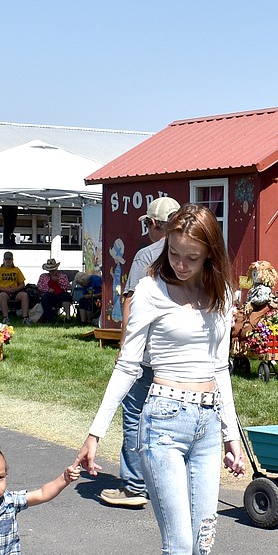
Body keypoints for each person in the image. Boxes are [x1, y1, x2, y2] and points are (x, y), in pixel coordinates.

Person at [75, 204, 246, 555]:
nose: (181, 265)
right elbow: (128, 366)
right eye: (174, 253)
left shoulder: (221, 296)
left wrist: (232, 436)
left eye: (192, 257)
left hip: (207, 426)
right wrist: (94, 433)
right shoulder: (151, 290)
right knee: (177, 549)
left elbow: (221, 372)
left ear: (210, 256)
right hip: (163, 424)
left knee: (201, 545)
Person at [99, 196, 180, 509]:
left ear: (155, 224)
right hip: (181, 356)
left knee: (135, 413)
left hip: (147, 351)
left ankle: (135, 485)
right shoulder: (196, 253)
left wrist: (124, 346)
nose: (146, 228)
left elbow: (130, 301)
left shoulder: (147, 255)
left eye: (148, 223)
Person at [32, 258, 73, 323]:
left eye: (53, 270)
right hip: (49, 295)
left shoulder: (62, 276)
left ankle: (68, 318)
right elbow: (39, 287)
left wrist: (59, 281)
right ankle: (49, 318)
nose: (52, 272)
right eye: (50, 271)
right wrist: (48, 289)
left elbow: (68, 286)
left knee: (66, 297)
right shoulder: (43, 276)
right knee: (45, 298)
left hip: (61, 294)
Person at [0, 250, 29, 321]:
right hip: (3, 291)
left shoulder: (16, 270)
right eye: (7, 259)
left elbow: (22, 284)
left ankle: (25, 317)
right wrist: (5, 289)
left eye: (10, 259)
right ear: (4, 260)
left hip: (14, 291)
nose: (8, 261)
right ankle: (6, 317)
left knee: (24, 295)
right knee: (3, 296)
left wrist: (16, 289)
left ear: (12, 260)